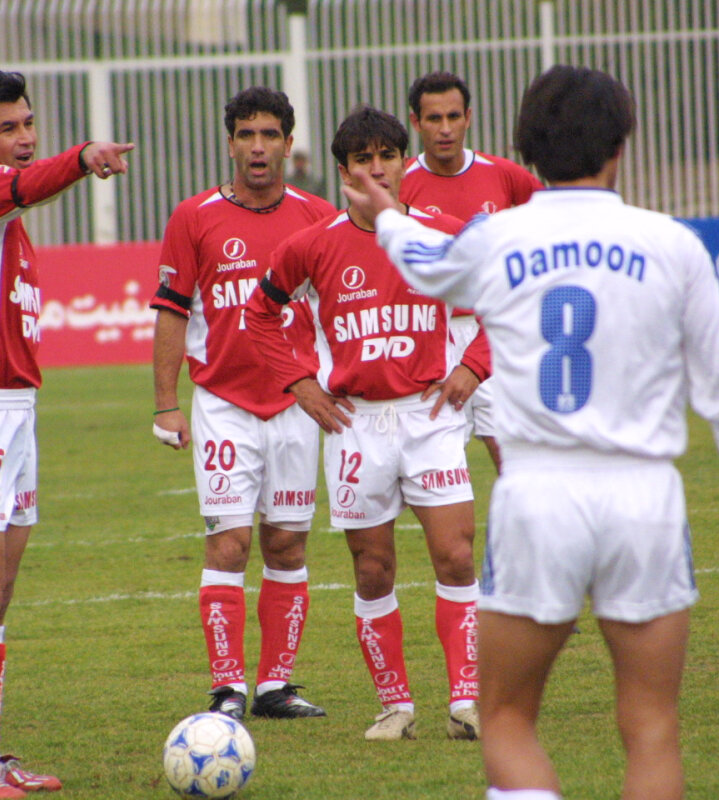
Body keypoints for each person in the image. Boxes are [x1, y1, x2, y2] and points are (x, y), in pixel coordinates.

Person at [348, 65, 719, 799]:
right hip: (644, 498)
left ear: (526, 149)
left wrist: (388, 213)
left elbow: (426, 265)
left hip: (539, 495)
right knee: (651, 726)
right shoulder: (671, 243)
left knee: (506, 718)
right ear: (620, 145)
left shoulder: (498, 237)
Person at [0, 68, 133, 799]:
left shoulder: (5, 224)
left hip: (12, 414)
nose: (25, 137)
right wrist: (83, 157)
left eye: (28, 122)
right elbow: (25, 183)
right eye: (7, 128)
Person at [244, 105, 491, 742]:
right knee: (373, 568)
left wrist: (474, 366)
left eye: (387, 156)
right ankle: (395, 706)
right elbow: (258, 314)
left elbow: (506, 296)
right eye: (362, 159)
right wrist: (300, 383)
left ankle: (467, 702)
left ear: (405, 163)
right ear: (343, 171)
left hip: (430, 418)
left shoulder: (441, 234)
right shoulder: (314, 243)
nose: (376, 169)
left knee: (456, 556)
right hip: (355, 424)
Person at [149, 86, 337, 722]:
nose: (258, 147)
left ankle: (275, 686)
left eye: (270, 135)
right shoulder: (193, 217)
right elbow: (172, 311)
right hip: (224, 403)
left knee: (287, 544)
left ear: (288, 143)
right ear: (229, 143)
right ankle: (227, 686)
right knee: (228, 545)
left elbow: (336, 308)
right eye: (247, 135)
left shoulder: (317, 217)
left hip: (295, 405)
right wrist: (166, 403)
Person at [400, 71, 544, 473]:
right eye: (434, 119)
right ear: (416, 122)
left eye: (453, 117)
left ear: (468, 117)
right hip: (430, 336)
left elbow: (551, 223)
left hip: (494, 333)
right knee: (434, 471)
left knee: (516, 462)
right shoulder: (400, 182)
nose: (445, 129)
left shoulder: (504, 175)